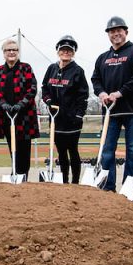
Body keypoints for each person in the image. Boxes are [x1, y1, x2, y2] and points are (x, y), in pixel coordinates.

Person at [91, 16, 133, 191]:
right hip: (110, 112)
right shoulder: (103, 57)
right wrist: (101, 93)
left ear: (126, 32)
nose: (116, 34)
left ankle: (129, 188)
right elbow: (96, 79)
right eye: (112, 31)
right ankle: (108, 187)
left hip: (132, 110)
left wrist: (120, 93)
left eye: (119, 31)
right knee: (107, 150)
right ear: (108, 34)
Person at [41, 35, 89, 184]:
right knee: (61, 152)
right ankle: (64, 181)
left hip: (72, 119)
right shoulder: (52, 69)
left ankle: (75, 182)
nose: (66, 52)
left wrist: (79, 115)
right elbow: (44, 88)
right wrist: (48, 100)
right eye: (63, 50)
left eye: (69, 50)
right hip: (55, 119)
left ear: (73, 52)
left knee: (72, 150)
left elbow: (83, 95)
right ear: (58, 51)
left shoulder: (77, 71)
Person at [0, 39, 40, 179]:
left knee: (24, 149)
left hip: (24, 117)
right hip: (7, 116)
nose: (11, 52)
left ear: (18, 52)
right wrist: (3, 104)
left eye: (14, 50)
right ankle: (15, 173)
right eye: (8, 50)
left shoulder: (26, 68)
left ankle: (22, 176)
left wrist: (21, 104)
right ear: (3, 53)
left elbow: (32, 89)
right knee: (12, 148)